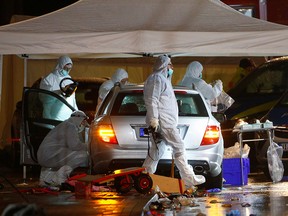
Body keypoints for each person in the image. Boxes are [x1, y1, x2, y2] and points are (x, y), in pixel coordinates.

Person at [142, 55, 205, 189]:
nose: (172, 68)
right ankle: (188, 178)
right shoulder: (157, 79)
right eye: (170, 65)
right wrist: (154, 119)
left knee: (156, 150)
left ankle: (145, 175)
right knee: (179, 146)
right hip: (163, 122)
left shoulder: (162, 79)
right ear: (164, 66)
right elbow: (152, 99)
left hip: (162, 121)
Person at [37, 110, 89, 186]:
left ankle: (46, 179)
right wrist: (88, 146)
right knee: (83, 155)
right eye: (83, 122)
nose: (83, 124)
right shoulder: (70, 126)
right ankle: (59, 178)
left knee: (67, 154)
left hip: (45, 156)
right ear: (79, 119)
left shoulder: (64, 124)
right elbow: (74, 145)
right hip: (50, 156)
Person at [40, 55, 78, 120]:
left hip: (67, 118)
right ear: (60, 66)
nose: (67, 70)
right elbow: (43, 97)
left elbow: (72, 99)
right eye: (66, 68)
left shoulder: (68, 79)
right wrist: (59, 91)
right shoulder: (48, 79)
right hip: (53, 118)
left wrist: (76, 112)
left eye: (69, 69)